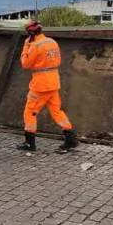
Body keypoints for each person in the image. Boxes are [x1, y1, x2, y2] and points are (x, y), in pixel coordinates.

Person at [16, 20, 78, 152]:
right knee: (57, 111)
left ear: (31, 33)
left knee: (30, 112)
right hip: (54, 83)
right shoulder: (52, 42)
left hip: (40, 85)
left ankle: (29, 143)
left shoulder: (36, 46)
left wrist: (26, 47)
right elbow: (58, 61)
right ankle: (70, 138)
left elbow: (25, 63)